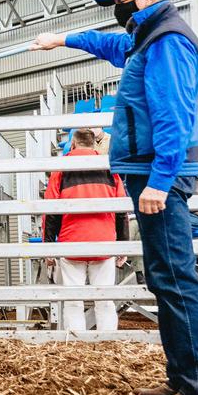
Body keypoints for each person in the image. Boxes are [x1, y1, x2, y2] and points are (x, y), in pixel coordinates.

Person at [30, 0, 198, 395]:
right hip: (148, 170)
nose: (116, 9)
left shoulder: (167, 40)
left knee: (175, 278)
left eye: (120, 0)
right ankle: (183, 380)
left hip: (161, 174)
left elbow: (173, 114)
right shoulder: (145, 38)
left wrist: (159, 179)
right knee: (163, 277)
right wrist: (60, 40)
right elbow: (108, 44)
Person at [42, 129, 127, 333]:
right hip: (104, 242)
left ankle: (76, 343)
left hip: (72, 242)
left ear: (73, 144)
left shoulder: (61, 169)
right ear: (93, 145)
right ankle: (108, 341)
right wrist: (123, 245)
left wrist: (48, 247)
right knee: (105, 300)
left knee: (73, 301)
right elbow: (121, 210)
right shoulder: (108, 167)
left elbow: (50, 211)